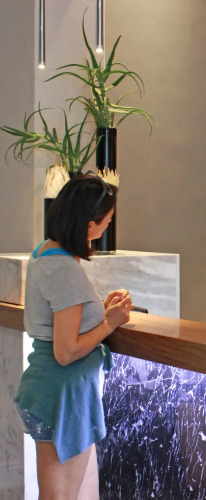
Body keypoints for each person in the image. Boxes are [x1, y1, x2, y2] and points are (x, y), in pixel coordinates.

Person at [13, 174, 133, 499]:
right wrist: (109, 323)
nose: (108, 227)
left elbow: (63, 318)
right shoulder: (64, 269)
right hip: (60, 394)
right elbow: (66, 352)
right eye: (107, 221)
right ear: (89, 224)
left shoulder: (45, 252)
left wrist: (100, 311)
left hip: (54, 391)